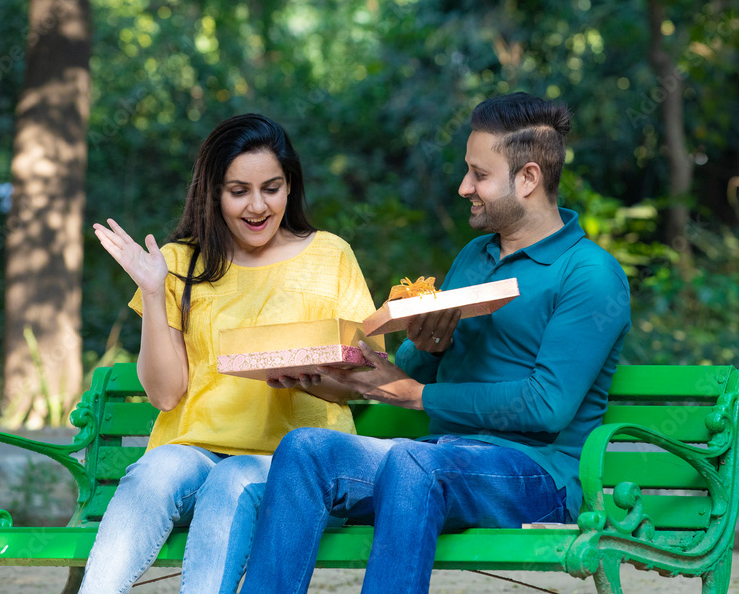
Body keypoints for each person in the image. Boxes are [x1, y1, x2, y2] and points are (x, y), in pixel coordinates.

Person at [238, 92, 632, 593]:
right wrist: (424, 350)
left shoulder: (590, 274)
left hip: (536, 473)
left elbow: (547, 406)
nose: (464, 186)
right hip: (437, 460)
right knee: (305, 450)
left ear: (528, 178)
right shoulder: (474, 256)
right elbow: (413, 368)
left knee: (413, 461)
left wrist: (418, 396)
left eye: (479, 174)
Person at [79, 114, 377, 594]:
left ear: (290, 187)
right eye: (238, 191)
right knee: (153, 469)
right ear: (213, 193)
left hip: (295, 462)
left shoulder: (330, 255)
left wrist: (310, 375)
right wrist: (154, 294)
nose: (257, 206)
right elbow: (164, 393)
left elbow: (366, 377)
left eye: (272, 188)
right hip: (195, 451)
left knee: (233, 479)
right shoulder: (178, 262)